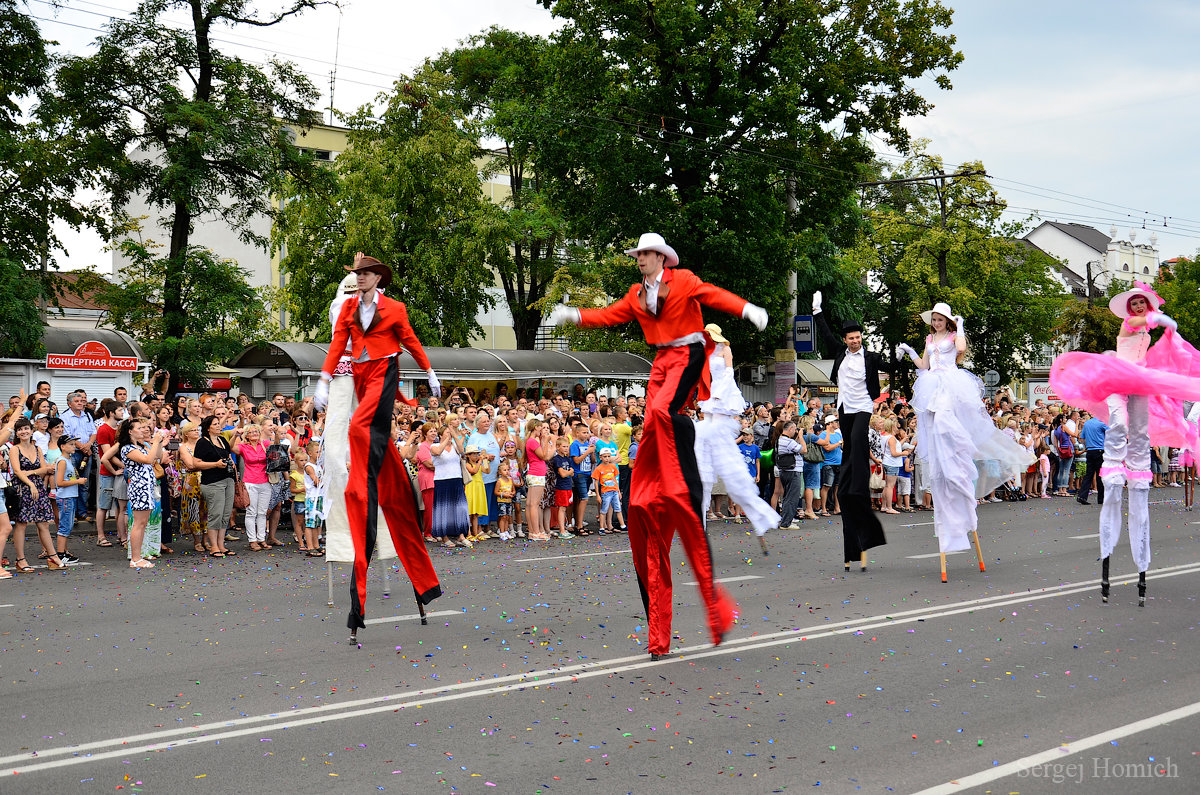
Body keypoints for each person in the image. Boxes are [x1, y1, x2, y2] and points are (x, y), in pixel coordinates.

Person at [550, 232, 768, 659]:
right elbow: (608, 316)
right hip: (660, 362)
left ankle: (665, 478)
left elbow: (715, 295)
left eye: (647, 254)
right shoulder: (635, 294)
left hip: (687, 355)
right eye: (638, 255)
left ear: (662, 257)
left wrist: (747, 309)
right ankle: (658, 637)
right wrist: (573, 315)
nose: (641, 260)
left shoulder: (683, 281)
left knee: (665, 412)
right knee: (652, 418)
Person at [313, 253, 443, 639]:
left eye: (366, 274)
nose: (360, 280)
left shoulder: (395, 308)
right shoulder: (349, 307)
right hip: (360, 374)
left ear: (377, 278)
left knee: (359, 426)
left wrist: (429, 371)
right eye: (357, 275)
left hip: (386, 372)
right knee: (366, 441)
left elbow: (411, 340)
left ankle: (365, 464)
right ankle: (421, 585)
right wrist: (322, 381)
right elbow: (339, 344)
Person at [1050, 281, 1200, 605]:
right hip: (1119, 374)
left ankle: (1138, 462)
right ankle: (1115, 460)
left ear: (1147, 305)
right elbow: (1136, 325)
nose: (1136, 308)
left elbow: (1147, 337)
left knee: (1141, 427)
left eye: (1141, 304)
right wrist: (1159, 320)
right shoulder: (1132, 323)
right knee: (1117, 421)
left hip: (1141, 376)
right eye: (1133, 303)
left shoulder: (1147, 325)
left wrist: (1163, 325)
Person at [898, 302, 1031, 582]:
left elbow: (959, 351)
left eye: (940, 319)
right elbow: (924, 366)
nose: (935, 323)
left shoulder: (951, 337)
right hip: (932, 383)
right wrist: (910, 353)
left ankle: (961, 448)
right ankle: (948, 459)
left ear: (947, 321)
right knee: (935, 424)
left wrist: (960, 325)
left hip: (951, 384)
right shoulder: (929, 339)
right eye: (933, 319)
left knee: (948, 421)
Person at [813, 292, 888, 573]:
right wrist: (817, 310)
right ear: (845, 340)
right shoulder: (838, 353)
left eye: (858, 337)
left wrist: (912, 359)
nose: (855, 341)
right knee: (848, 448)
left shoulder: (871, 357)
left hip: (863, 407)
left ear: (861, 338)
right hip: (845, 408)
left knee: (857, 440)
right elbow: (823, 333)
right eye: (851, 338)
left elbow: (889, 366)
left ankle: (858, 480)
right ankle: (850, 481)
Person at [693, 323, 779, 554]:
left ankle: (759, 521)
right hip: (710, 411)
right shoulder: (703, 351)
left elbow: (728, 373)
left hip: (722, 403)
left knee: (734, 477)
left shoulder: (725, 349)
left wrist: (718, 393)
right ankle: (699, 529)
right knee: (703, 478)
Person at [9, 417, 67, 573]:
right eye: (20, 429)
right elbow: (16, 471)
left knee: (43, 523)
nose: (23, 432)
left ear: (31, 430)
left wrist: (30, 473)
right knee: (21, 524)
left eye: (26, 428)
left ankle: (53, 556)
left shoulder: (37, 449)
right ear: (16, 433)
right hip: (23, 488)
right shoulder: (15, 449)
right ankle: (21, 560)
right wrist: (31, 482)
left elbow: (44, 469)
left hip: (38, 488)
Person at [1078, 412, 1108, 506]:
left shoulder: (1087, 423)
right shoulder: (1102, 423)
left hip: (1090, 450)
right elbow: (1111, 433)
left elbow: (1082, 438)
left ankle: (1082, 496)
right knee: (1100, 475)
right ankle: (1101, 498)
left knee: (1089, 475)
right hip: (1100, 450)